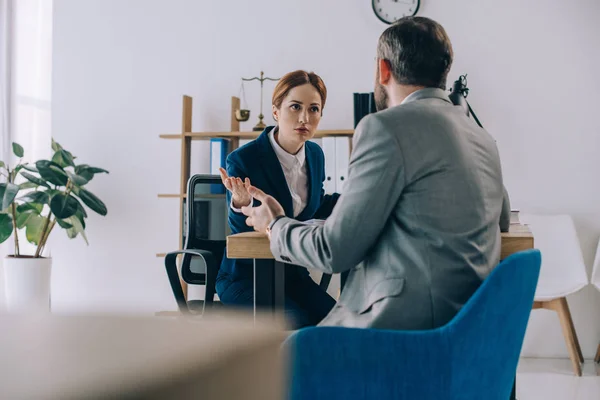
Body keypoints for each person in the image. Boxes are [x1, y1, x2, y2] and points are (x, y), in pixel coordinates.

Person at [241, 16, 511, 330]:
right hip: (470, 331)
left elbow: (333, 251)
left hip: (399, 331)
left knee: (286, 355)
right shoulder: (480, 137)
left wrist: (275, 226)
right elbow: (499, 223)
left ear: (383, 70)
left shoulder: (384, 127)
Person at [216, 70, 339, 329]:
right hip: (245, 278)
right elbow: (241, 232)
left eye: (314, 109)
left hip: (292, 275)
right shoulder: (243, 159)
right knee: (297, 324)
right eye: (295, 107)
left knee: (341, 323)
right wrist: (241, 204)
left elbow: (317, 203)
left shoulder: (315, 155)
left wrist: (360, 198)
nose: (305, 118)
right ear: (275, 111)